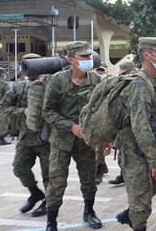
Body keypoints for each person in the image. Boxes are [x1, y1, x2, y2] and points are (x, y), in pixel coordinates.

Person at [114, 37, 156, 231]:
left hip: (148, 147)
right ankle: (136, 221)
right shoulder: (139, 84)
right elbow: (140, 125)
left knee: (155, 186)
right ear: (147, 55)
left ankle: (131, 213)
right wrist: (154, 161)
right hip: (134, 152)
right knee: (143, 206)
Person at [42, 41, 103, 231]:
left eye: (89, 56)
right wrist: (70, 126)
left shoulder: (95, 80)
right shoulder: (58, 81)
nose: (88, 59)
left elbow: (101, 111)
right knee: (57, 183)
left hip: (86, 142)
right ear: (71, 60)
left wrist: (105, 138)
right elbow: (47, 112)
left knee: (89, 180)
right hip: (61, 141)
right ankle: (51, 221)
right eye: (83, 57)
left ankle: (89, 211)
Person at [0, 53, 50, 217]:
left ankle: (48, 203)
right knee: (19, 168)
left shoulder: (50, 85)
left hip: (47, 138)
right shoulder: (19, 88)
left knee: (50, 174)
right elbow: (3, 108)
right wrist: (23, 111)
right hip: (26, 137)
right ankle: (35, 192)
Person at [108, 60, 137, 186]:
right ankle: (123, 174)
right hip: (122, 127)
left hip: (135, 126)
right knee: (122, 154)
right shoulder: (121, 83)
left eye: (125, 73)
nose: (123, 76)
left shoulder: (138, 83)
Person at [0, 67, 11, 145]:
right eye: (3, 72)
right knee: (3, 122)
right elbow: (7, 95)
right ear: (0, 73)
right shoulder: (4, 83)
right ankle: (1, 139)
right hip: (0, 106)